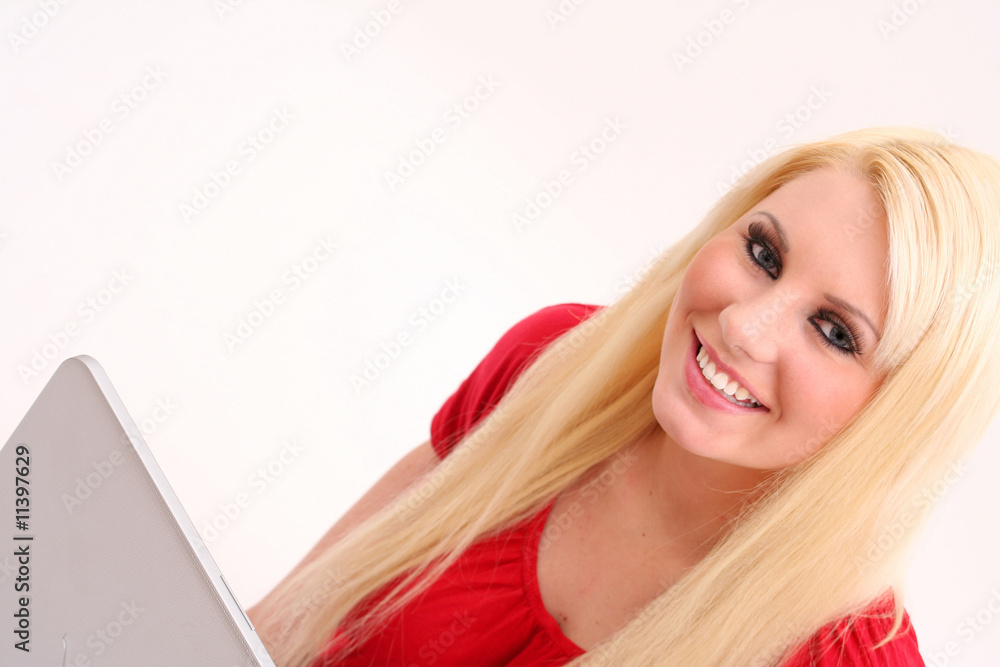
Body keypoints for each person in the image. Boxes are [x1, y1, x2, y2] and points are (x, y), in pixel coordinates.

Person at [247, 127, 1000, 666]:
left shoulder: (847, 657)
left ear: (903, 416)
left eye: (834, 332)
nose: (744, 327)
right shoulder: (557, 364)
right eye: (763, 253)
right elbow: (269, 632)